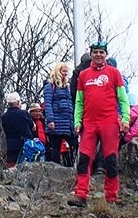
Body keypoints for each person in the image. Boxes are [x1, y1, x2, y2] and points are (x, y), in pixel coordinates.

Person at [68, 40, 130, 207]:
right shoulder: (83, 75)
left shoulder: (114, 73)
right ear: (91, 54)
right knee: (84, 158)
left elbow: (123, 99)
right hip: (89, 122)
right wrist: (77, 121)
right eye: (95, 52)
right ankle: (81, 194)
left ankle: (111, 196)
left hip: (109, 121)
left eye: (101, 52)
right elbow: (79, 101)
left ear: (105, 55)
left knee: (110, 159)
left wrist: (125, 118)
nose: (98, 55)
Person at [43, 62, 75, 165]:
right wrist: (50, 120)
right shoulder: (50, 86)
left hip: (68, 123)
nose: (65, 73)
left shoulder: (68, 87)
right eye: (63, 71)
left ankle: (72, 168)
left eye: (67, 71)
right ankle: (55, 169)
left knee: (73, 146)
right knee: (55, 148)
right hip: (57, 122)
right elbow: (47, 104)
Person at [0, 92, 33, 168]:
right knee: (25, 165)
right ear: (18, 102)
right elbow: (33, 127)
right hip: (25, 143)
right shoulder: (24, 113)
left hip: (10, 143)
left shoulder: (4, 116)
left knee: (12, 165)